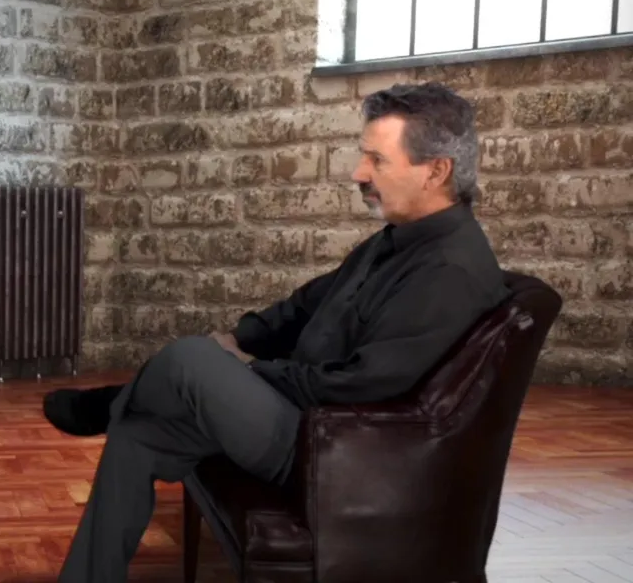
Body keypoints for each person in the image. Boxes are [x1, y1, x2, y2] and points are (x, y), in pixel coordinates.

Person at [45, 82, 511, 583]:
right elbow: (305, 306)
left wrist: (251, 371)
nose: (358, 173)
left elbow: (362, 385)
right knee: (136, 435)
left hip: (335, 451)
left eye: (377, 160)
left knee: (189, 360)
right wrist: (241, 339)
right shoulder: (396, 241)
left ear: (436, 171)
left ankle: (113, 401)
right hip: (306, 419)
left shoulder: (450, 271)